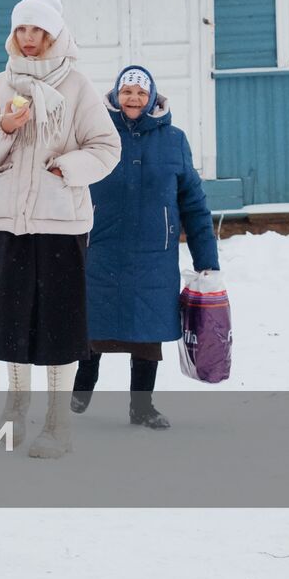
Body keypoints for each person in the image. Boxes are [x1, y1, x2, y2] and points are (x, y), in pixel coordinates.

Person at [0, 0, 120, 458]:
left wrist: (67, 169)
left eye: (38, 30)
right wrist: (7, 128)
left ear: (54, 34)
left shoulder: (77, 86)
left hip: (62, 223)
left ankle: (57, 424)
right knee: (11, 320)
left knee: (58, 323)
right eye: (22, 30)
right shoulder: (0, 87)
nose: (29, 39)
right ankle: (14, 411)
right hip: (13, 223)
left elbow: (106, 148)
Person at [76, 65, 219, 429]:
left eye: (140, 93)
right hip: (102, 246)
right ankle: (82, 385)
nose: (133, 99)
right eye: (127, 92)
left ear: (152, 97)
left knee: (147, 334)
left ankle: (142, 407)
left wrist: (207, 261)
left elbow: (194, 205)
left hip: (154, 253)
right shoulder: (96, 135)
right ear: (116, 95)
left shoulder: (174, 140)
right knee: (94, 321)